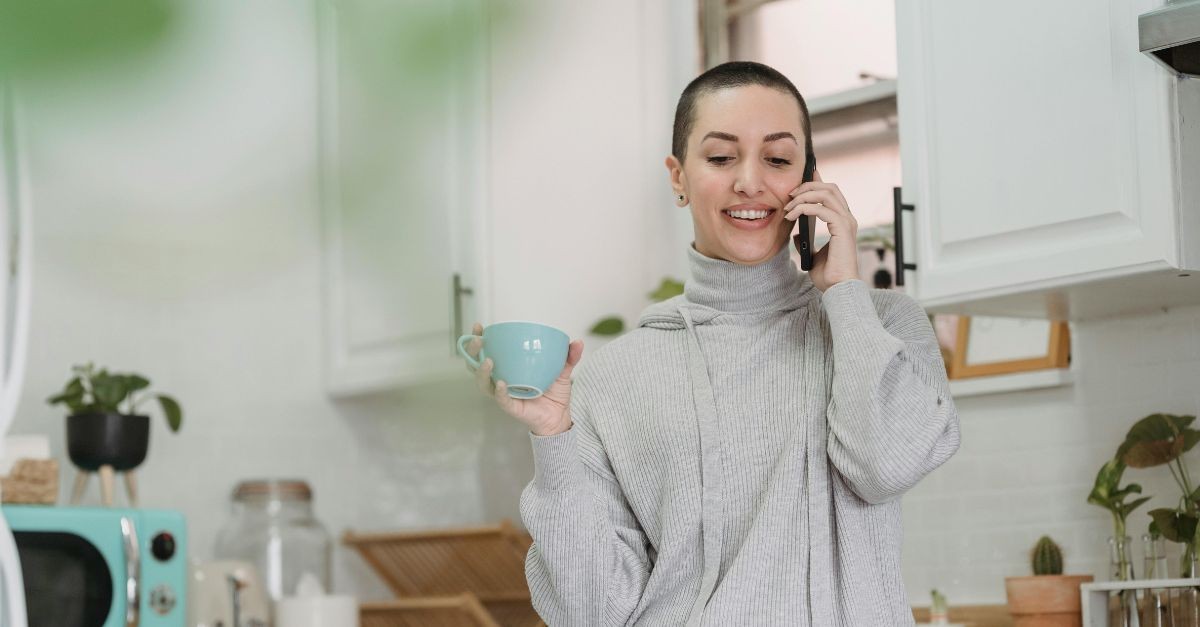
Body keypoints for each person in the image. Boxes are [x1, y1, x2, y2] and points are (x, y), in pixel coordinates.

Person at [462, 61, 960, 626]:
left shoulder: (882, 326)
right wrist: (553, 438)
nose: (750, 181)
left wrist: (845, 292)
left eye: (777, 159)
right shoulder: (613, 378)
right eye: (721, 158)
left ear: (810, 178)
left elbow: (884, 466)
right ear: (678, 178)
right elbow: (593, 612)